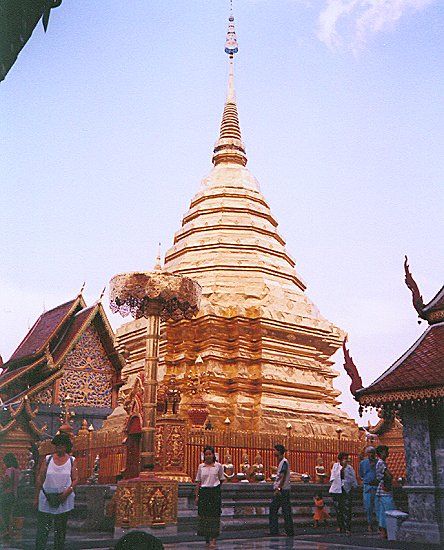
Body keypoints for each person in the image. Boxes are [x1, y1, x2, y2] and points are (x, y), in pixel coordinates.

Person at [34, 433, 78, 550]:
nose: (60, 447)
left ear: (66, 447)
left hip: (64, 499)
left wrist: (66, 493)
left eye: (62, 445)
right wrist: (36, 496)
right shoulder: (48, 459)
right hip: (46, 498)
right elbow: (40, 478)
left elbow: (75, 479)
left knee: (60, 531)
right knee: (42, 530)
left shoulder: (72, 461)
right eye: (57, 445)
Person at [194, 445, 225, 548]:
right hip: (204, 493)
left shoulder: (218, 466)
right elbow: (198, 482)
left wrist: (215, 488)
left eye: (210, 454)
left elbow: (221, 479)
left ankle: (214, 539)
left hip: (214, 492)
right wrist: (197, 496)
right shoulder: (200, 467)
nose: (208, 456)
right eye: (206, 454)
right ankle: (207, 538)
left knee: (214, 516)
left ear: (213, 455)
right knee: (204, 516)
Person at [329, 451, 358, 535]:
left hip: (346, 489)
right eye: (344, 459)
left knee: (347, 509)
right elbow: (334, 477)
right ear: (340, 460)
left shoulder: (350, 468)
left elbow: (353, 479)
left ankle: (347, 527)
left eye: (347, 459)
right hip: (337, 490)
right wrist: (342, 469)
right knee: (339, 509)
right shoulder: (335, 466)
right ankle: (341, 526)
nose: (346, 461)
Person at [269, 444, 294, 537]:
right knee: (282, 510)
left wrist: (279, 488)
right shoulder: (281, 462)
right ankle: (286, 531)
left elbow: (282, 476)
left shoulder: (284, 462)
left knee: (278, 509)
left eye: (275, 450)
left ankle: (278, 531)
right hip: (282, 489)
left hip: (282, 490)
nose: (273, 452)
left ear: (279, 452)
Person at [375, 445, 395, 539]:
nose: (387, 453)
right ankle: (386, 529)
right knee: (389, 508)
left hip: (384, 488)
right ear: (381, 452)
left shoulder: (382, 463)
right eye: (386, 451)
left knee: (383, 510)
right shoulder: (381, 463)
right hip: (384, 488)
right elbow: (389, 475)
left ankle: (384, 530)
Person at [0, 453, 20, 539]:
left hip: (7, 494)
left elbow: (6, 482)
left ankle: (5, 531)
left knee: (4, 513)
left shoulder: (9, 470)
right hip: (14, 494)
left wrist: (2, 478)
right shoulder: (17, 470)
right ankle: (10, 531)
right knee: (10, 514)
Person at [359, 446, 378, 532]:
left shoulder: (378, 462)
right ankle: (369, 524)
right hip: (367, 486)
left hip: (377, 486)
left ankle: (379, 525)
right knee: (368, 506)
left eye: (372, 452)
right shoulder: (363, 463)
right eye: (369, 453)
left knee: (378, 506)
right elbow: (361, 474)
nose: (371, 454)